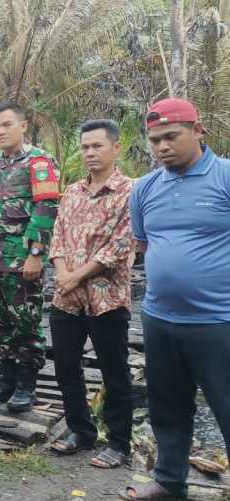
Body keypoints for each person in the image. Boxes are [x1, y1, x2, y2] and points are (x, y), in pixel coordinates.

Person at [122, 98, 230, 500]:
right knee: (167, 406)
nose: (162, 146)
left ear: (198, 131)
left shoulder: (224, 177)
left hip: (219, 319)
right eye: (154, 140)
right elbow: (146, 246)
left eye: (171, 136)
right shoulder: (146, 188)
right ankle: (169, 481)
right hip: (160, 318)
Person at [47, 120, 134, 468]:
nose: (90, 153)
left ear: (116, 148)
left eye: (97, 146)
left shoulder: (130, 192)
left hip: (106, 298)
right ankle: (80, 431)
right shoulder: (72, 192)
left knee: (114, 372)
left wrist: (77, 276)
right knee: (66, 366)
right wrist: (62, 273)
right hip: (66, 298)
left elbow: (122, 245)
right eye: (85, 147)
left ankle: (119, 442)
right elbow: (58, 236)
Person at [0, 102, 61, 413]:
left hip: (21, 263)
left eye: (7, 125)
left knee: (25, 323)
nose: (0, 131)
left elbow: (46, 210)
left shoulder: (39, 163)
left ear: (24, 126)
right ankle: (5, 378)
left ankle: (26, 384)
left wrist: (36, 254)